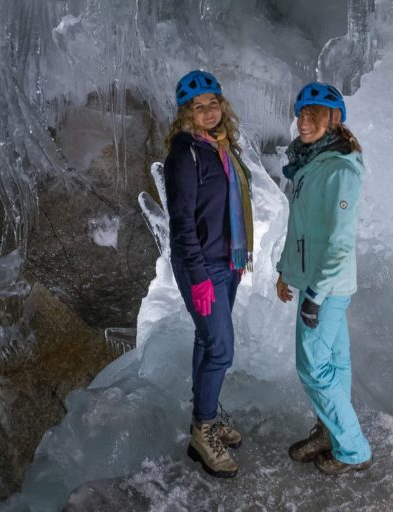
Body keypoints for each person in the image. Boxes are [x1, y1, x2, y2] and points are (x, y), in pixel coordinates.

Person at [275, 81, 372, 476]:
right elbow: (300, 226)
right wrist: (286, 271)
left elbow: (340, 242)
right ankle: (329, 430)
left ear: (334, 120)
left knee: (314, 367)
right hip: (314, 280)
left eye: (315, 113)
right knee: (335, 361)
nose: (305, 120)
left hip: (326, 287)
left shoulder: (340, 169)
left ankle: (352, 449)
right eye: (301, 112)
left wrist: (314, 293)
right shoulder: (312, 162)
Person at [163, 69, 254, 479]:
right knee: (221, 349)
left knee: (207, 339)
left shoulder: (221, 146)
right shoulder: (185, 153)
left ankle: (208, 416)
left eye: (213, 103)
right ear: (185, 114)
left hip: (227, 261)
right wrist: (198, 276)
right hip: (203, 265)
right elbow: (181, 222)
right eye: (198, 107)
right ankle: (203, 431)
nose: (208, 111)